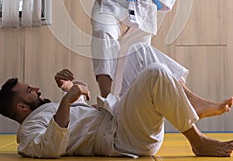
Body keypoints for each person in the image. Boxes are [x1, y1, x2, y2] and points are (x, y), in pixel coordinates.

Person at [0, 64, 233, 158]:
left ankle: (193, 103)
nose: (37, 89)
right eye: (30, 90)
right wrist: (66, 102)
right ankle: (197, 140)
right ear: (21, 107)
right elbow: (50, 147)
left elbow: (78, 115)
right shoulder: (28, 130)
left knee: (140, 51)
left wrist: (71, 89)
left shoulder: (45, 111)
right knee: (156, 74)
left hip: (117, 116)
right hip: (122, 138)